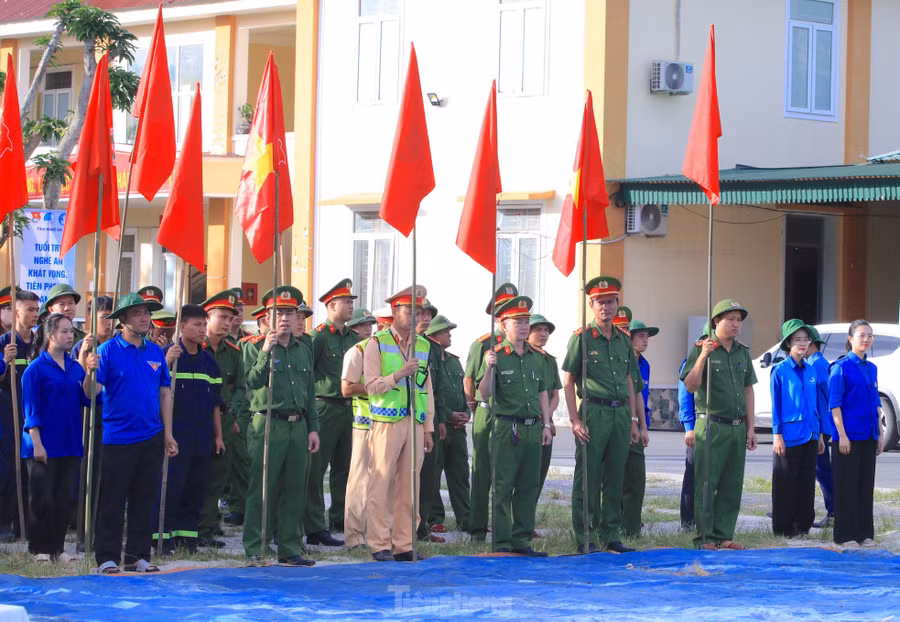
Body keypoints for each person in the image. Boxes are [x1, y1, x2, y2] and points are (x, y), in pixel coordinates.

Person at [91, 293, 178, 574]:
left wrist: (168, 433)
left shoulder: (154, 352)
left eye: (147, 313)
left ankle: (137, 555)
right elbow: (90, 393)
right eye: (139, 313)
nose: (145, 318)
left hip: (151, 436)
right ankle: (107, 556)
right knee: (112, 501)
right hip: (118, 437)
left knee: (145, 498)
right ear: (124, 319)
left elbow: (165, 393)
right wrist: (87, 371)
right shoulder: (106, 351)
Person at [562, 277, 641, 554]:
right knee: (589, 476)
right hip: (594, 411)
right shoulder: (582, 338)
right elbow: (569, 379)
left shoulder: (623, 340)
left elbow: (630, 381)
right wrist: (575, 420)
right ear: (591, 305)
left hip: (620, 413)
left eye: (611, 301)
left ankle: (611, 533)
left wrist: (633, 420)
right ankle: (586, 535)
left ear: (618, 304)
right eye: (600, 302)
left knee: (615, 475)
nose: (606, 307)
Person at [241, 287, 319, 566]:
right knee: (263, 488)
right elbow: (251, 381)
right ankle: (255, 547)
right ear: (267, 316)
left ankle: (289, 547)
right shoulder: (253, 346)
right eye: (279, 312)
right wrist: (266, 350)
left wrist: (313, 428)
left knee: (295, 488)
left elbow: (309, 392)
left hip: (297, 426)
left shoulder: (303, 349)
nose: (285, 318)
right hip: (268, 423)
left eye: (290, 312)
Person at [363, 286, 435, 562]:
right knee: (380, 483)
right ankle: (379, 543)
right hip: (386, 422)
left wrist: (428, 428)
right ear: (394, 312)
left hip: (414, 423)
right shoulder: (377, 343)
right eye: (409, 311)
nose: (416, 316)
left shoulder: (424, 345)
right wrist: (398, 374)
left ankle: (404, 543)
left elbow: (426, 390)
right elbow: (370, 385)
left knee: (410, 486)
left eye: (419, 311)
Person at [478, 296, 552, 556]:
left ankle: (522, 540)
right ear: (504, 324)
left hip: (533, 427)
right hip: (507, 428)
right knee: (503, 485)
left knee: (528, 485)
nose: (523, 326)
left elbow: (543, 392)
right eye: (517, 321)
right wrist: (488, 369)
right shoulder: (495, 355)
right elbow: (484, 393)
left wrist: (546, 423)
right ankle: (501, 541)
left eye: (526, 321)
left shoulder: (536, 358)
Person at [681, 298, 758, 551]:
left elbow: (748, 389)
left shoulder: (742, 352)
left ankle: (724, 534)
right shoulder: (702, 348)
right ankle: (705, 537)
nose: (736, 325)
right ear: (716, 321)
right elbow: (690, 385)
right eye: (731, 320)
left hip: (736, 427)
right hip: (711, 425)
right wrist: (703, 356)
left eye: (739, 320)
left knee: (731, 483)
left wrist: (750, 427)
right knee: (706, 483)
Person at [22, 313, 95, 562]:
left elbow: (87, 399)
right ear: (51, 334)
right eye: (64, 331)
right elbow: (30, 411)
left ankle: (58, 548)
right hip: (43, 444)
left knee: (65, 499)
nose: (69, 336)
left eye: (70, 332)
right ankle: (39, 549)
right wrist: (38, 444)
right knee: (43, 498)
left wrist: (89, 373)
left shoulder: (75, 368)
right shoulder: (35, 369)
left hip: (70, 443)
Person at [152, 305, 223, 554]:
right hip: (175, 434)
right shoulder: (166, 355)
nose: (202, 329)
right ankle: (163, 538)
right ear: (182, 327)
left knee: (196, 487)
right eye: (197, 325)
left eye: (204, 325)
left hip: (201, 435)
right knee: (171, 486)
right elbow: (152, 390)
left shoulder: (208, 362)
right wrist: (165, 362)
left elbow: (216, 402)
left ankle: (188, 537)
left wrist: (219, 436)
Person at [305, 279, 358, 547]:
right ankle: (314, 525)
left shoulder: (354, 338)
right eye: (346, 302)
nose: (351, 306)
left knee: (346, 467)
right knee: (316, 469)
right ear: (331, 305)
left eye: (352, 302)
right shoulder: (318, 337)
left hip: (349, 408)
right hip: (324, 406)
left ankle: (339, 517)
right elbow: (307, 374)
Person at [465, 282, 518, 542]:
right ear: (497, 316)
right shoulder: (484, 343)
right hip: (487, 413)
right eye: (505, 309)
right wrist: (474, 406)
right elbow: (468, 380)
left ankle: (505, 527)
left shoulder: (521, 342)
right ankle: (476, 529)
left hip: (512, 416)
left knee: (507, 473)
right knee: (482, 472)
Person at [828, 319, 883, 548]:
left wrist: (879, 433)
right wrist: (842, 435)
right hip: (847, 437)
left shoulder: (872, 368)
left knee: (864, 486)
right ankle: (844, 535)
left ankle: (864, 533)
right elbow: (835, 405)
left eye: (870, 335)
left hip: (868, 435)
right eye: (862, 335)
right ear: (851, 339)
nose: (867, 340)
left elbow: (876, 404)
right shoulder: (840, 368)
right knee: (846, 487)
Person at [198, 291, 246, 549]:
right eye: (222, 317)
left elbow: (240, 386)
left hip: (225, 421)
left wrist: (232, 411)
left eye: (231, 318)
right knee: (197, 475)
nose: (227, 323)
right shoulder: (196, 348)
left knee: (218, 475)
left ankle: (207, 526)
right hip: (198, 421)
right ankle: (195, 524)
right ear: (207, 318)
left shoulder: (233, 352)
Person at [769, 319, 824, 539]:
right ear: (788, 343)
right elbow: (776, 406)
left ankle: (802, 527)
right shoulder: (779, 371)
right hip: (789, 436)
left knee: (806, 482)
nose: (802, 343)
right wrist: (777, 435)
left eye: (805, 339)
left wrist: (818, 433)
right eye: (797, 340)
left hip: (810, 434)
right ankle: (783, 528)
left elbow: (815, 405)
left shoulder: (812, 370)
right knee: (785, 483)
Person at [0, 289, 40, 540]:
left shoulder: (40, 341)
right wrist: (4, 361)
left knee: (33, 473)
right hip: (8, 415)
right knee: (8, 469)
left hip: (34, 415)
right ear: (16, 312)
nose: (35, 314)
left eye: (37, 310)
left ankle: (28, 524)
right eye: (30, 310)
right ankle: (5, 522)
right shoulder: (5, 342)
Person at [426, 314, 470, 533]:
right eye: (445, 331)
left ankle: (466, 517)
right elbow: (432, 394)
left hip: (457, 428)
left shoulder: (453, 360)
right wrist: (446, 415)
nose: (449, 334)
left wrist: (466, 412)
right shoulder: (429, 359)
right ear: (434, 335)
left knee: (461, 473)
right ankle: (434, 518)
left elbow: (460, 391)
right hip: (439, 424)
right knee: (433, 473)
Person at [622, 319, 657, 538]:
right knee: (616, 478)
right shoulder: (623, 361)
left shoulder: (644, 364)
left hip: (638, 422)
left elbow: (642, 398)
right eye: (641, 336)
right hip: (620, 421)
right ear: (629, 337)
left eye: (647, 337)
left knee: (636, 477)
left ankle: (633, 526)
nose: (645, 341)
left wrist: (643, 427)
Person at [416, 298, 446, 543]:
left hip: (428, 418)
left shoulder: (433, 348)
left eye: (429, 314)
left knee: (428, 476)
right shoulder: (394, 344)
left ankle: (421, 527)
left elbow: (439, 387)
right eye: (422, 313)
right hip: (400, 418)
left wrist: (441, 419)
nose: (426, 318)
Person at [340, 326, 372, 551]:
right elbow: (347, 388)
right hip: (366, 423)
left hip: (395, 424)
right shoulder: (358, 351)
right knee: (360, 481)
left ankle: (382, 534)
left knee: (388, 483)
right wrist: (381, 384)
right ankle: (355, 537)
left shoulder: (407, 352)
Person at [527, 313, 560, 500]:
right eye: (538, 329)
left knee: (540, 470)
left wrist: (547, 416)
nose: (543, 334)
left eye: (546, 330)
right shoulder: (523, 356)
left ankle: (528, 518)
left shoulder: (550, 360)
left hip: (545, 421)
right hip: (526, 419)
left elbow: (554, 393)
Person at [806, 325, 834, 528]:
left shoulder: (816, 365)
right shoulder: (816, 363)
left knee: (821, 470)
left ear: (810, 343)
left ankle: (833, 512)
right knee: (816, 469)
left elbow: (821, 396)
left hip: (820, 425)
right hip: (819, 423)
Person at [678, 323, 706, 530]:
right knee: (693, 474)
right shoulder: (692, 362)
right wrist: (689, 427)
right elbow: (685, 396)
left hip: (718, 427)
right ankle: (688, 521)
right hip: (698, 427)